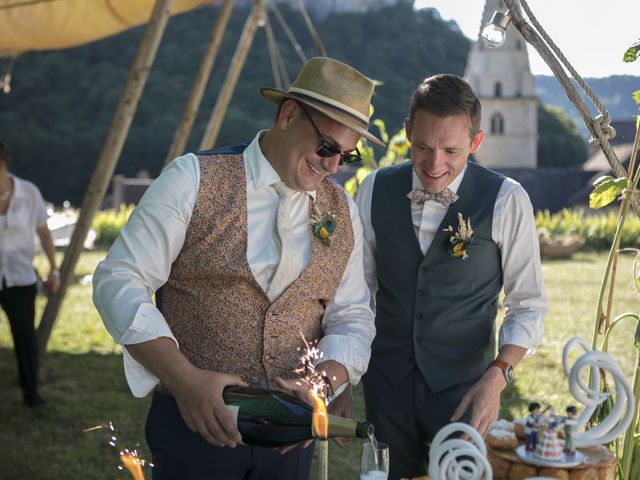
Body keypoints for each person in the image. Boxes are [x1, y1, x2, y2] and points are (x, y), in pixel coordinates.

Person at [92, 57, 382, 480]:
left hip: (289, 444)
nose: (334, 165)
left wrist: (324, 382)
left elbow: (353, 318)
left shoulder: (344, 212)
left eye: (347, 154)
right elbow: (118, 279)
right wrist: (184, 380)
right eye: (327, 147)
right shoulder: (192, 179)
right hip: (194, 431)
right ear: (287, 115)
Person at [355, 74, 547, 480]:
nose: (434, 164)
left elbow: (527, 303)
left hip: (464, 391)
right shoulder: (374, 188)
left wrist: (498, 376)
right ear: (407, 131)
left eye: (451, 150)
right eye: (423, 146)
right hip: (385, 387)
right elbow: (355, 294)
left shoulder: (507, 199)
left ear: (476, 143)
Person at [0, 142, 59, 407]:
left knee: (25, 338)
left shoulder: (29, 193)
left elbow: (44, 233)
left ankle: (31, 393)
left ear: (3, 166)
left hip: (21, 277)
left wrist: (53, 268)